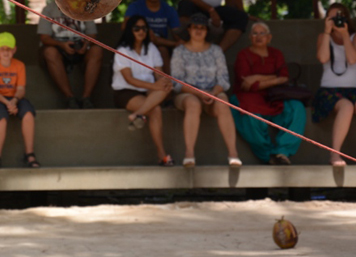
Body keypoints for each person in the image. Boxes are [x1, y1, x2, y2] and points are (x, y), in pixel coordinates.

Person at [171, 13, 241, 168]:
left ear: (207, 31)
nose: (199, 31)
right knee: (193, 103)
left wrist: (212, 93)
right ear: (188, 29)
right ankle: (189, 154)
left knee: (223, 100)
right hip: (187, 95)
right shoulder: (179, 52)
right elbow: (176, 82)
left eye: (202, 28)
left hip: (212, 94)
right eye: (195, 27)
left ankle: (233, 154)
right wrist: (199, 93)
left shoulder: (216, 51)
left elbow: (223, 80)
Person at [231, 21, 305, 165]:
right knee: (248, 114)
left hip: (275, 96)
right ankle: (267, 155)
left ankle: (282, 151)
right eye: (255, 33)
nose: (258, 36)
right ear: (250, 38)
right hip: (249, 97)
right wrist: (274, 78)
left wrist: (257, 78)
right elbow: (247, 85)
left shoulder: (276, 54)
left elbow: (284, 78)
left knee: (297, 108)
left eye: (262, 33)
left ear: (269, 38)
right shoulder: (243, 55)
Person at [113, 15, 173, 166]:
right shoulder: (122, 50)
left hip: (149, 91)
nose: (141, 31)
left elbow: (158, 74)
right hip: (126, 91)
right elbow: (129, 79)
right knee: (156, 109)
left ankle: (137, 115)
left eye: (144, 28)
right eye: (136, 28)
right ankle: (162, 155)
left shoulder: (151, 48)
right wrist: (156, 86)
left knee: (165, 87)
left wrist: (164, 82)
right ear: (129, 30)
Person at [0, 32, 40, 169]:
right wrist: (7, 103)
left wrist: (14, 101)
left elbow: (21, 89)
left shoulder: (19, 65)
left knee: (28, 113)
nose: (6, 52)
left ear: (14, 50)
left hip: (15, 98)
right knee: (1, 117)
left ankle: (29, 154)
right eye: (2, 49)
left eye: (9, 49)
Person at [311, 3, 356, 167]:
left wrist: (345, 35)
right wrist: (327, 32)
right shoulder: (323, 37)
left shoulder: (353, 37)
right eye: (332, 17)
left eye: (339, 16)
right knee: (346, 106)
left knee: (350, 104)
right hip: (330, 91)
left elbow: (352, 59)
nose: (336, 20)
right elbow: (323, 58)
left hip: (353, 90)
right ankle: (335, 154)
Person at [37, 0, 103, 109]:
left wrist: (85, 44)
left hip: (81, 49)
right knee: (50, 52)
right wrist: (61, 45)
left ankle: (86, 98)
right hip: (58, 49)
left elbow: (92, 34)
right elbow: (44, 38)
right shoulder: (49, 9)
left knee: (97, 50)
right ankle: (70, 98)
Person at [123, 0, 180, 67]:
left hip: (161, 46)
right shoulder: (135, 7)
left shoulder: (169, 9)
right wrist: (174, 44)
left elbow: (177, 34)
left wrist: (180, 43)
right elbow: (125, 27)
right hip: (137, 44)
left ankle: (167, 80)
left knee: (163, 50)